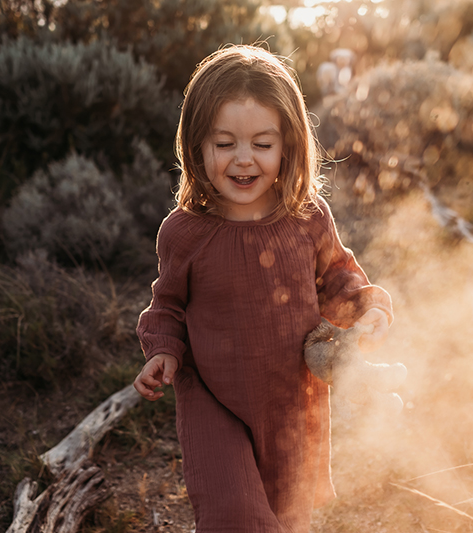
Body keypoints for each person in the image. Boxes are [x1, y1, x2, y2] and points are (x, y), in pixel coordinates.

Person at [134, 44, 393, 533]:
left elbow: (336, 277)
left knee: (285, 517)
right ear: (197, 147)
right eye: (225, 143)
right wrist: (163, 352)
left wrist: (364, 309)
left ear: (288, 145)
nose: (244, 159)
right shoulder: (185, 233)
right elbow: (166, 305)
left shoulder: (307, 218)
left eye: (263, 143)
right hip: (211, 397)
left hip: (290, 401)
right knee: (233, 515)